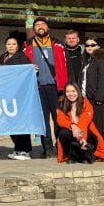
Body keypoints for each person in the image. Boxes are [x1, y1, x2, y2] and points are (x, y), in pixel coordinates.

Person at [23, 16, 68, 158]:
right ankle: (47, 148)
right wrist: (29, 67)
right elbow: (22, 64)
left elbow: (66, 65)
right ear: (34, 29)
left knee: (58, 118)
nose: (40, 26)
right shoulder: (27, 45)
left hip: (56, 87)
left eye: (43, 24)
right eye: (37, 25)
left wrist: (65, 86)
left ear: (48, 27)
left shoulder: (58, 44)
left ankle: (60, 147)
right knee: (42, 120)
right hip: (38, 87)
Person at [55, 82, 104, 164]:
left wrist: (82, 137)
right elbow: (60, 120)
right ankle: (71, 155)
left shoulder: (85, 103)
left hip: (85, 135)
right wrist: (72, 126)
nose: (71, 94)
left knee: (92, 135)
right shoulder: (61, 104)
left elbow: (84, 120)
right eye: (68, 91)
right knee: (63, 133)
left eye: (73, 91)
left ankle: (85, 155)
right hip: (72, 135)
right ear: (65, 93)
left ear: (78, 91)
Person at [0, 35, 33, 160]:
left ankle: (26, 150)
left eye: (13, 44)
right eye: (8, 44)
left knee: (21, 122)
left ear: (17, 46)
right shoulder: (2, 58)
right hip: (6, 95)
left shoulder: (23, 59)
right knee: (10, 122)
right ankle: (18, 148)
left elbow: (27, 76)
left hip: (19, 95)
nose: (11, 46)